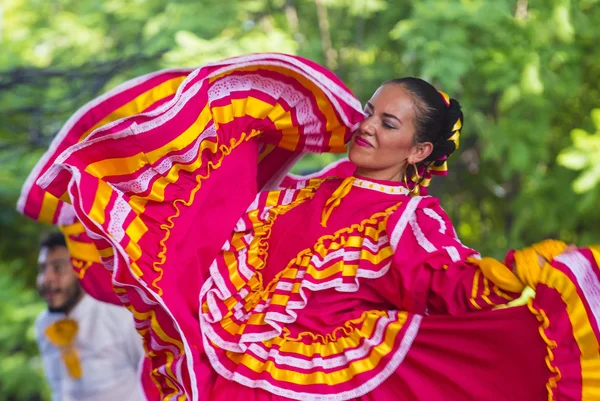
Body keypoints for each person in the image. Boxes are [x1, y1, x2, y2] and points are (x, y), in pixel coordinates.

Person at [34, 54, 599, 401]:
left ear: (419, 149)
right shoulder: (317, 183)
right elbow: (233, 221)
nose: (366, 126)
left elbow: (443, 282)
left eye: (388, 122)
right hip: (226, 347)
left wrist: (506, 277)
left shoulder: (410, 215)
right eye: (370, 110)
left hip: (304, 381)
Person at [35, 232, 147, 401]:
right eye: (43, 269)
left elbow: (156, 382)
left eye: (58, 268)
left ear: (81, 269)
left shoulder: (120, 316)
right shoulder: (43, 324)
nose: (47, 279)